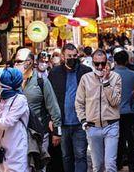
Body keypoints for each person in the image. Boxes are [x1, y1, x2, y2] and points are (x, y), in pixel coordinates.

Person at [14, 48, 62, 171]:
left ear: (29, 62)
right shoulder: (13, 81)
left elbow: (53, 107)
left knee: (39, 167)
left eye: (19, 61)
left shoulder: (41, 81)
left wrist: (57, 132)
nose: (16, 64)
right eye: (16, 61)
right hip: (17, 134)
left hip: (38, 133)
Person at [75, 49, 121, 172]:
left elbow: (115, 101)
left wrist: (106, 82)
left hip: (111, 125)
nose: (100, 67)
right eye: (97, 64)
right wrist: (83, 120)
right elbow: (79, 102)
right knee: (98, 166)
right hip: (92, 126)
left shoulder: (115, 77)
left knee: (110, 164)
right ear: (92, 64)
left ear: (107, 63)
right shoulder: (86, 79)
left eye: (103, 63)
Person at [48, 43, 92, 172]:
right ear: (63, 56)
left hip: (80, 122)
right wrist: (51, 119)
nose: (72, 58)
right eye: (69, 56)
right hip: (62, 122)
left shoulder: (86, 71)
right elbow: (50, 98)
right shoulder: (55, 73)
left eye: (74, 55)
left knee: (80, 155)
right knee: (66, 156)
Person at [0, 68, 30, 172]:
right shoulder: (0, 100)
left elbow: (7, 122)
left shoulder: (20, 100)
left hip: (16, 150)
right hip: (1, 150)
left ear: (7, 81)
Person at [113, 50, 134, 172]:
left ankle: (118, 163)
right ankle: (132, 165)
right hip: (130, 111)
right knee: (131, 139)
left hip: (115, 112)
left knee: (117, 139)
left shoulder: (111, 75)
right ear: (126, 60)